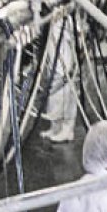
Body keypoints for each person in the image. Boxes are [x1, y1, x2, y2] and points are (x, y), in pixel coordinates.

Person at [41, 15, 79, 143]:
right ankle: (55, 127)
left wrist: (74, 63)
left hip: (64, 64)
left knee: (66, 95)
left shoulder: (66, 18)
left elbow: (76, 36)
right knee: (53, 96)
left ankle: (67, 130)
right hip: (53, 62)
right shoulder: (52, 17)